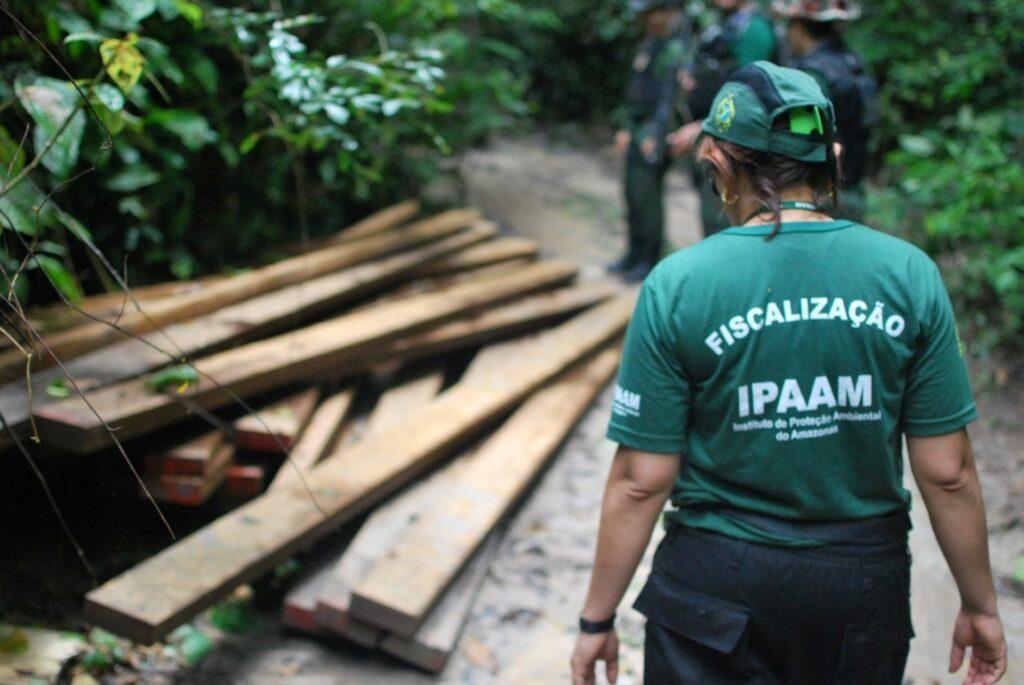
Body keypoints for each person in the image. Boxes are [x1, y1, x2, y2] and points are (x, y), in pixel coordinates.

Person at [571, 62, 1008, 685]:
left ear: (720, 164)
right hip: (859, 586)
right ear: (832, 158)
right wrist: (981, 605)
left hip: (713, 588)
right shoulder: (908, 275)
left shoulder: (679, 285)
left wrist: (596, 619)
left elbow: (641, 482)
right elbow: (948, 472)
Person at [668, 0, 778, 237]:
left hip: (734, 145)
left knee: (723, 222)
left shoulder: (755, 29)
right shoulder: (723, 23)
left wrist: (703, 127)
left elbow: (749, 94)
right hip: (716, 137)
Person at [774, 0, 877, 222]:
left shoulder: (810, 75)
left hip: (821, 200)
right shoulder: (852, 62)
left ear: (799, 27)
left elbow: (801, 141)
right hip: (853, 188)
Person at [608, 0, 688, 283]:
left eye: (650, 13)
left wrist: (655, 136)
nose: (646, 20)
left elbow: (672, 101)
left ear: (665, 13)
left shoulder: (678, 49)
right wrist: (627, 128)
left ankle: (649, 258)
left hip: (657, 135)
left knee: (647, 197)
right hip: (637, 130)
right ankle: (634, 251)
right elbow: (636, 92)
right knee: (632, 192)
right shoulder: (649, 45)